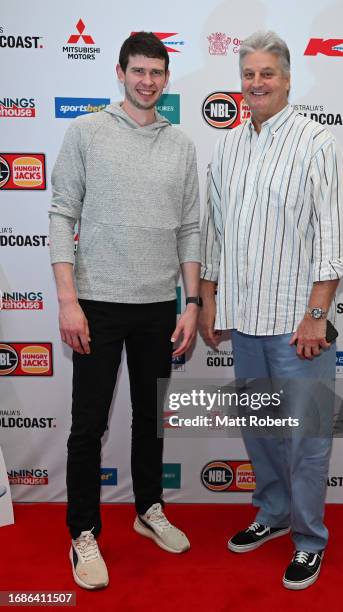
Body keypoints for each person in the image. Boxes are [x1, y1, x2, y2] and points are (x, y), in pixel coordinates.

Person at [200, 30, 343, 590]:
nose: (257, 83)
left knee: (307, 437)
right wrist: (210, 298)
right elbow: (214, 232)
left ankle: (309, 539)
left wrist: (317, 313)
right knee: (262, 429)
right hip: (244, 321)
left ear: (288, 79)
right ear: (239, 82)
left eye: (267, 74)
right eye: (249, 74)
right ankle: (273, 514)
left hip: (297, 326)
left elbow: (335, 236)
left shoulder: (318, 144)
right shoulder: (229, 146)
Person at [49, 32, 201, 590]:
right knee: (87, 427)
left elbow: (189, 229)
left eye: (156, 72)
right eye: (138, 71)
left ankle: (148, 509)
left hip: (160, 306)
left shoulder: (181, 144)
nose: (147, 81)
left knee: (149, 420)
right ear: (120, 73)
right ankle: (82, 532)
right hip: (95, 304)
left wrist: (191, 304)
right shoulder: (86, 132)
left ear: (165, 78)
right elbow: (62, 213)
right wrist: (68, 300)